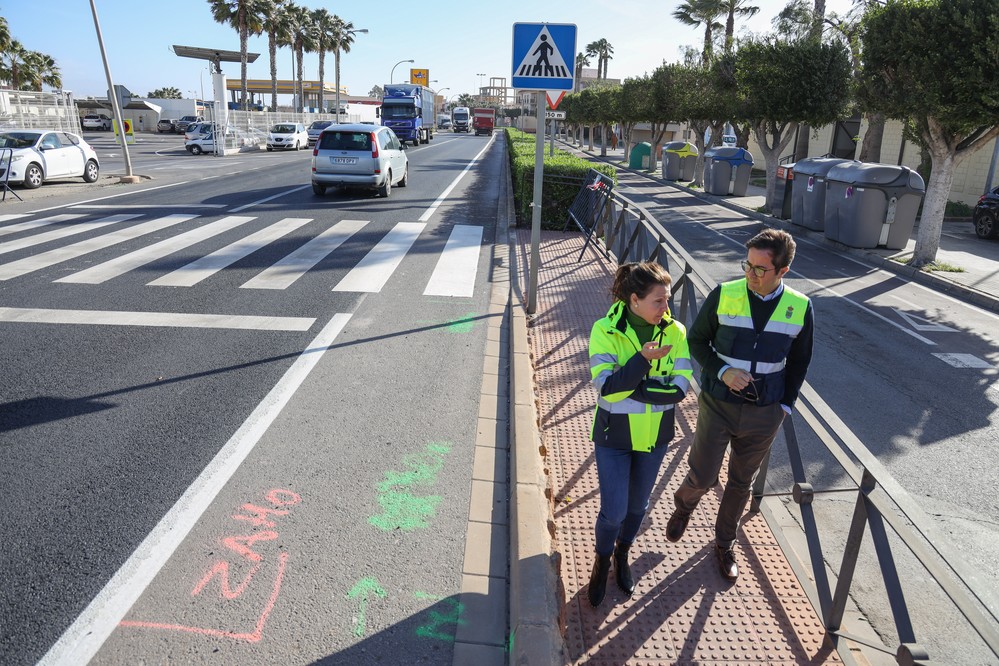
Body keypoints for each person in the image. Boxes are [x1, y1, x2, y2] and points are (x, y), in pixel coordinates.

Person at [666, 228, 813, 581]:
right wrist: (723, 370)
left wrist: (785, 407)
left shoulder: (800, 307)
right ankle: (684, 505)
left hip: (766, 411)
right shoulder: (725, 294)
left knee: (740, 483)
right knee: (702, 475)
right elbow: (697, 342)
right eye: (747, 265)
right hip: (718, 403)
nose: (750, 274)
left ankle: (724, 543)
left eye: (760, 269)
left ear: (783, 271)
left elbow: (800, 362)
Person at [586, 261, 693, 606]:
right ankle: (602, 561)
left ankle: (622, 555)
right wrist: (643, 363)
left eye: (668, 300)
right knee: (613, 511)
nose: (666, 308)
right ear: (634, 300)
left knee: (637, 508)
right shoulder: (605, 329)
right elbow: (606, 388)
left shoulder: (675, 331)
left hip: (654, 438)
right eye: (658, 301)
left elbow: (679, 389)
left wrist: (631, 384)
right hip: (614, 436)